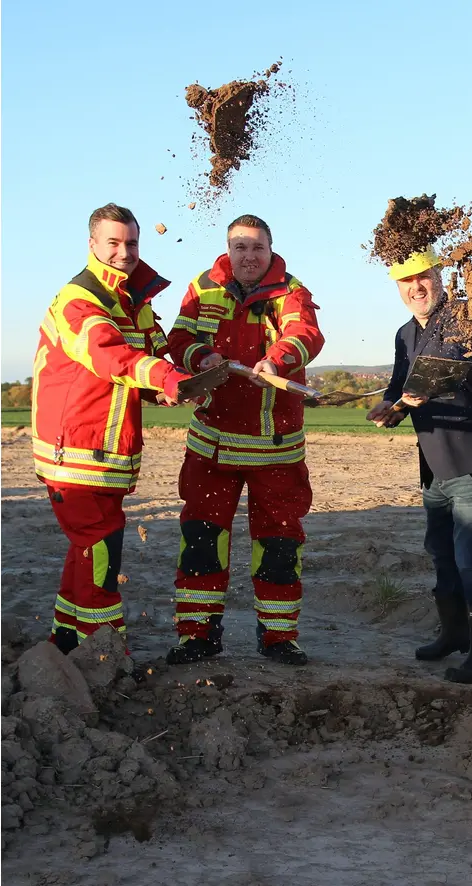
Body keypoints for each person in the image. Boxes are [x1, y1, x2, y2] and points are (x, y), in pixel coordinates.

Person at [31, 203, 224, 652]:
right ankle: (104, 653)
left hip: (107, 452)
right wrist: (168, 379)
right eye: (113, 243)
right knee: (100, 549)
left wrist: (186, 385)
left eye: (131, 243)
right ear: (92, 245)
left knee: (87, 546)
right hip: (75, 451)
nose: (124, 252)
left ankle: (65, 637)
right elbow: (110, 357)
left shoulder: (132, 301)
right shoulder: (79, 299)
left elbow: (151, 362)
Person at [165, 215, 324, 666]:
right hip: (211, 446)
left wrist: (276, 362)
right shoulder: (203, 286)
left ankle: (278, 636)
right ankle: (197, 635)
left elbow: (306, 334)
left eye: (257, 247)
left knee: (279, 544)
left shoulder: (291, 290)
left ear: (271, 250)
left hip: (276, 449)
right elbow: (179, 338)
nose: (248, 256)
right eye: (240, 247)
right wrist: (204, 356)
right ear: (228, 250)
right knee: (200, 539)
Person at [366, 251, 472, 684]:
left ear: (439, 275)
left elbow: (445, 367)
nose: (416, 287)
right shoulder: (405, 333)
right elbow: (399, 384)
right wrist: (390, 408)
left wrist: (412, 395)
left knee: (471, 559)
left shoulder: (463, 318)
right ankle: (453, 634)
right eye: (405, 281)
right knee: (442, 555)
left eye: (423, 277)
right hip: (433, 463)